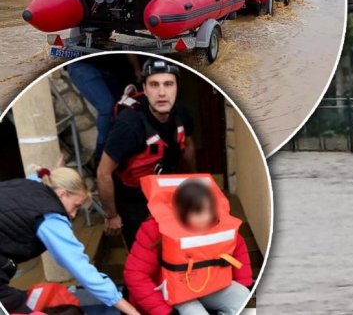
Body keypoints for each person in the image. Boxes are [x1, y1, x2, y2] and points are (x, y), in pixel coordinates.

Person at [0, 165, 139, 315]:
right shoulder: (50, 216)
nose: (73, 215)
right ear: (62, 194)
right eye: (76, 206)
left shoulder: (31, 184)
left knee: (17, 301)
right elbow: (81, 269)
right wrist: (131, 311)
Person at [97, 59, 196, 249]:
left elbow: (188, 145)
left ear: (177, 87)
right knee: (142, 251)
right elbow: (103, 172)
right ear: (145, 88)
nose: (161, 93)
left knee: (174, 242)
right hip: (133, 197)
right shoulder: (129, 125)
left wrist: (193, 181)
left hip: (165, 189)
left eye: (168, 84)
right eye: (154, 85)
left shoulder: (183, 112)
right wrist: (111, 215)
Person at [123, 179, 252, 315]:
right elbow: (134, 274)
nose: (206, 217)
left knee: (245, 299)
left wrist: (244, 284)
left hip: (209, 283)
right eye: (198, 212)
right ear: (181, 211)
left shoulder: (218, 225)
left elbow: (239, 250)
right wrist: (165, 312)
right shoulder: (155, 230)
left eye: (209, 210)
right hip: (173, 291)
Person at [67, 54, 143, 163]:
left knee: (122, 110)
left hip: (112, 64)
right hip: (82, 63)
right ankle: (100, 157)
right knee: (107, 108)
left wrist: (137, 70)